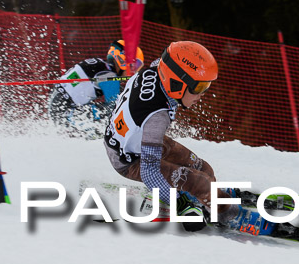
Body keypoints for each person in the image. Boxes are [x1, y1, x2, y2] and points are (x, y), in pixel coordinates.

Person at [103, 40, 272, 235]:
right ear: (176, 83)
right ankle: (229, 215)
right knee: (200, 182)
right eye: (199, 87)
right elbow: (149, 172)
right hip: (129, 160)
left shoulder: (157, 71)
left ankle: (207, 196)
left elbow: (166, 60)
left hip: (134, 140)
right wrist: (180, 205)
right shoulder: (157, 117)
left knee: (204, 169)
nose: (202, 94)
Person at [48, 40, 144, 137]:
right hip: (66, 110)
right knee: (113, 110)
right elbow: (115, 105)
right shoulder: (109, 74)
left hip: (59, 106)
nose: (134, 71)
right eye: (134, 65)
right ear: (122, 58)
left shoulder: (101, 66)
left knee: (104, 112)